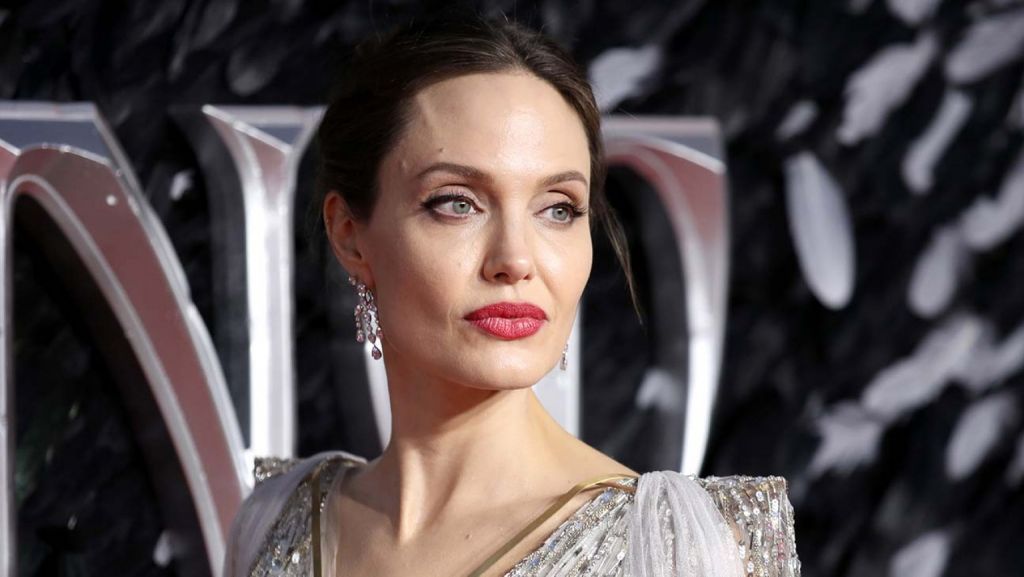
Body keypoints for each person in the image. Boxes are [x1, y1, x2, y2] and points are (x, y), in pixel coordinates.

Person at [224, 12, 799, 577]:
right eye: (458, 203)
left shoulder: (681, 550)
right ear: (350, 236)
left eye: (558, 209)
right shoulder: (277, 521)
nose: (516, 260)